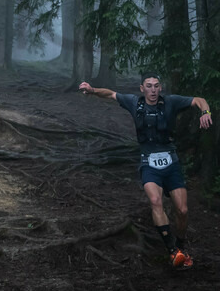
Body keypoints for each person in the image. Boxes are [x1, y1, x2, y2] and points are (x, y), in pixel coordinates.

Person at [78, 72, 212, 268]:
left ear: (160, 88)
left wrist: (206, 113)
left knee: (182, 210)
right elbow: (110, 94)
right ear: (142, 88)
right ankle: (173, 252)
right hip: (148, 161)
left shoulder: (171, 102)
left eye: (156, 86)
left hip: (171, 161)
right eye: (148, 86)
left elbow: (200, 100)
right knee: (155, 201)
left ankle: (181, 247)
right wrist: (92, 90)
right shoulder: (134, 102)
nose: (153, 90)